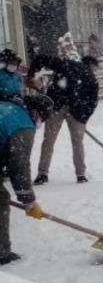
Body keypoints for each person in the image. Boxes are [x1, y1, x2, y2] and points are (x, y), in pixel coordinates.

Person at [0, 93, 53, 265]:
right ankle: (1, 252)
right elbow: (19, 166)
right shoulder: (23, 124)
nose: (40, 123)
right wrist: (28, 201)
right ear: (37, 113)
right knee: (1, 199)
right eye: (43, 118)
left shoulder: (8, 107)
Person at [33, 53, 98, 184]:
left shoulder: (67, 65)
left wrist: (32, 72)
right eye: (95, 68)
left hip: (59, 107)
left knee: (48, 141)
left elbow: (43, 58)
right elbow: (93, 100)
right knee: (77, 143)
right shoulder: (90, 76)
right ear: (91, 65)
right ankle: (81, 174)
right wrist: (84, 116)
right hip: (74, 110)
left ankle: (42, 173)